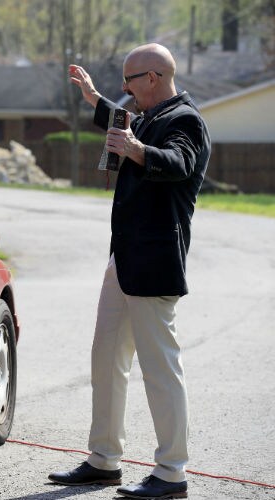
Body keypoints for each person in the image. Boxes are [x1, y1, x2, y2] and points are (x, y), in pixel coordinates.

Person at [48, 43, 210, 499]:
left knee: (160, 370)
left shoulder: (186, 120)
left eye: (130, 81)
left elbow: (179, 163)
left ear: (154, 77)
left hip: (156, 263)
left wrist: (138, 151)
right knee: (106, 360)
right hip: (124, 259)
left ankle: (172, 473)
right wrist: (96, 100)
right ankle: (104, 460)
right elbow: (129, 126)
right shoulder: (152, 115)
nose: (125, 89)